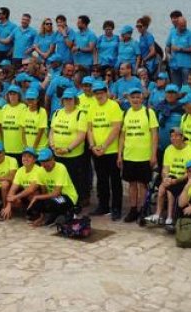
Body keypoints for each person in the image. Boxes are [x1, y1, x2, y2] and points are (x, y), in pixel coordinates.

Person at [118, 88, 159, 223]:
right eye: (133, 97)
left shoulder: (149, 113)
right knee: (132, 184)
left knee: (142, 185)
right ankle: (133, 209)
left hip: (144, 156)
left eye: (138, 97)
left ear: (142, 98)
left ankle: (143, 209)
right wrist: (120, 155)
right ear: (129, 99)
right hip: (129, 156)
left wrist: (153, 155)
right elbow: (122, 136)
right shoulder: (126, 113)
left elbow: (154, 135)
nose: (135, 100)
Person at [86, 80, 124, 219]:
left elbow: (116, 128)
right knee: (101, 180)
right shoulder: (92, 106)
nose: (98, 95)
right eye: (96, 93)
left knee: (115, 181)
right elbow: (89, 129)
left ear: (106, 92)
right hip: (96, 151)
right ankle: (103, 206)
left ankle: (116, 208)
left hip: (111, 151)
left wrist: (104, 146)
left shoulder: (113, 106)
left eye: (101, 92)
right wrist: (92, 146)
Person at [49, 88, 90, 209]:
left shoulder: (80, 114)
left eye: (70, 99)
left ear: (75, 100)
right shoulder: (57, 113)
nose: (67, 101)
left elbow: (81, 135)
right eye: (65, 99)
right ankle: (61, 204)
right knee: (60, 181)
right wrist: (52, 146)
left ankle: (74, 204)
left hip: (74, 156)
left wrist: (68, 149)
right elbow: (52, 131)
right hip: (58, 154)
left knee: (74, 181)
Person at [149, 126, 191, 227]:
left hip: (183, 180)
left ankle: (170, 217)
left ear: (182, 137)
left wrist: (176, 180)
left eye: (177, 136)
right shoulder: (169, 149)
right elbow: (165, 168)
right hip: (170, 177)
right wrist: (165, 178)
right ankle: (158, 214)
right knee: (161, 189)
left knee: (169, 191)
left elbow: (190, 173)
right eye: (172, 136)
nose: (174, 138)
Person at [165, 10, 191, 86]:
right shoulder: (172, 32)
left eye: (185, 25)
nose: (184, 27)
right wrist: (167, 54)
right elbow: (168, 46)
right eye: (182, 26)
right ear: (177, 25)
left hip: (186, 66)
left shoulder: (190, 34)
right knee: (175, 86)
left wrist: (180, 49)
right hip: (174, 65)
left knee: (186, 86)